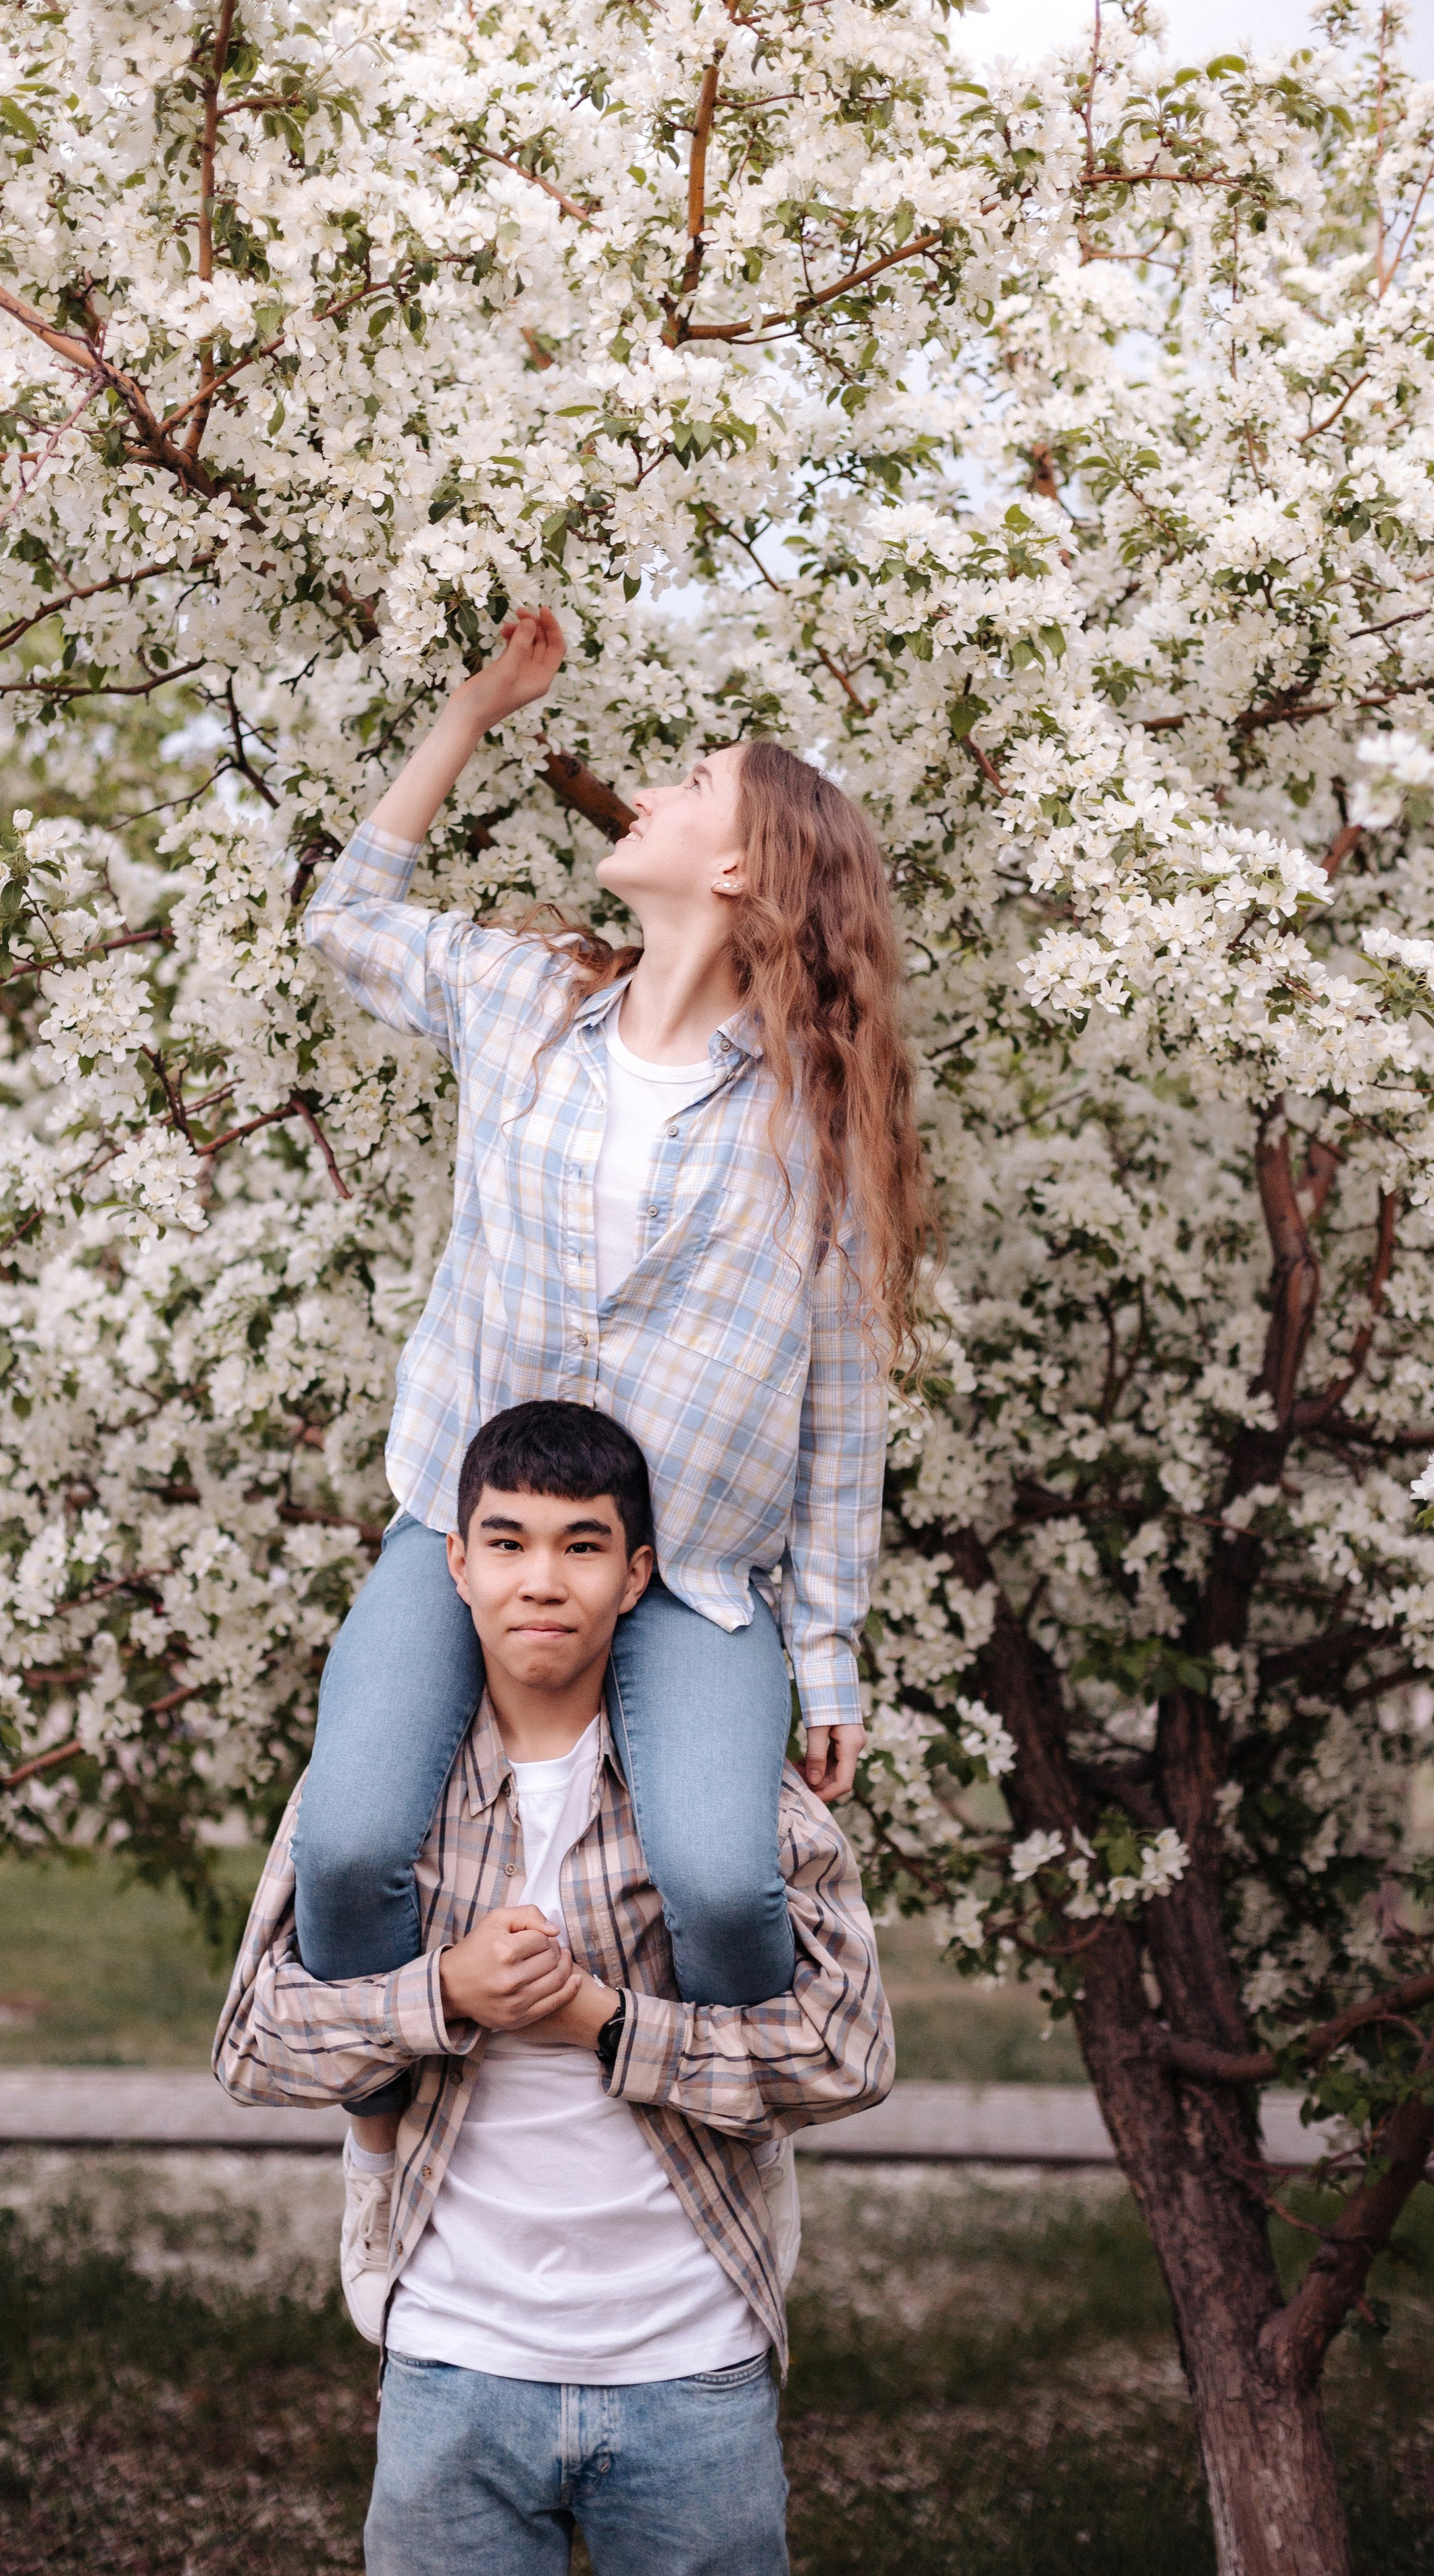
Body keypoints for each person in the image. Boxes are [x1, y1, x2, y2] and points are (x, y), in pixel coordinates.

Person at [292, 605, 931, 2128]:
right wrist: (468, 715)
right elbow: (347, 923)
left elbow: (840, 1402)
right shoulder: (528, 1003)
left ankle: (690, 2135)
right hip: (471, 1533)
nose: (645, 791)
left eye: (691, 781)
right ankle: (401, 2115)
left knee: (721, 1885)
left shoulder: (810, 1116)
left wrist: (826, 1648)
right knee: (342, 1848)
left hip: (692, 1566)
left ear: (738, 867)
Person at [216, 1400, 893, 2576]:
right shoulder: (376, 1801)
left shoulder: (727, 1795)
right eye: (509, 1541)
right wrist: (446, 1992)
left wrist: (607, 2023)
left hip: (691, 2363)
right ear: (458, 1565)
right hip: (453, 2361)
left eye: (582, 1546)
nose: (543, 1580)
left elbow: (850, 2055)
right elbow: (251, 2046)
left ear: (637, 1576)